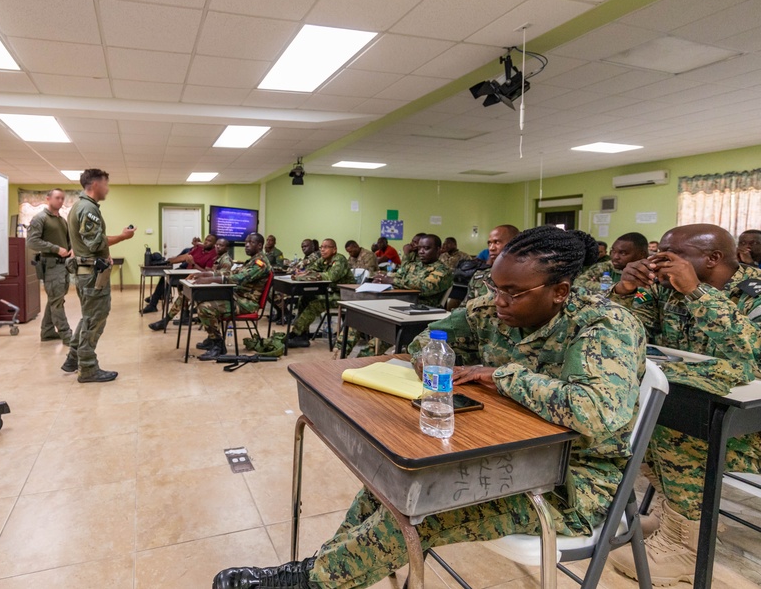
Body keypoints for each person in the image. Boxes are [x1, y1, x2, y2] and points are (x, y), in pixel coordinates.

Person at [213, 226, 645, 589]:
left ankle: (311, 581)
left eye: (513, 293)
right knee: (386, 483)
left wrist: (497, 375)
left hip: (572, 479)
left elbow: (597, 413)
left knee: (425, 510)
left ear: (560, 291)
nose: (499, 301)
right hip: (504, 446)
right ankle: (320, 574)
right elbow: (425, 342)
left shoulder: (604, 325)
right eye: (496, 288)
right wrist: (435, 359)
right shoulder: (493, 311)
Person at [608, 224, 761, 585]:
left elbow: (754, 356)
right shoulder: (665, 291)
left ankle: (685, 545)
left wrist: (695, 292)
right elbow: (620, 332)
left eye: (673, 253)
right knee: (637, 420)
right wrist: (623, 292)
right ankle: (674, 514)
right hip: (703, 409)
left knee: (677, 432)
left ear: (713, 258)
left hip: (749, 421)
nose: (659, 260)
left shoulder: (754, 293)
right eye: (659, 251)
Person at [60, 169, 134, 383]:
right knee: (95, 318)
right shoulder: (88, 208)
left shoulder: (81, 206)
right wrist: (122, 236)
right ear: (94, 185)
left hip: (87, 271)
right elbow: (95, 243)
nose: (108, 189)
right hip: (91, 275)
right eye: (106, 184)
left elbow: (90, 244)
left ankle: (74, 358)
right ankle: (88, 368)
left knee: (88, 316)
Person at [184, 233, 271, 359]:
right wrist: (208, 275)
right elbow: (232, 272)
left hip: (247, 303)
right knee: (203, 298)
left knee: (205, 307)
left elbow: (238, 278)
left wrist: (211, 280)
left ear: (259, 245)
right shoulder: (252, 260)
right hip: (237, 297)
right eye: (246, 242)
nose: (246, 245)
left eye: (250, 243)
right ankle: (211, 338)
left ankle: (218, 345)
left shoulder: (260, 262)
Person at [148, 238, 233, 331]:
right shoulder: (217, 257)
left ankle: (166, 320)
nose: (218, 247)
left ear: (227, 248)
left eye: (221, 245)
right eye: (217, 244)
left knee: (186, 293)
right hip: (212, 286)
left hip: (218, 291)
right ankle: (168, 319)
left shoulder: (225, 260)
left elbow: (222, 277)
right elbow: (212, 272)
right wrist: (199, 275)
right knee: (184, 291)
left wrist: (204, 277)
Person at [286, 239, 356, 348]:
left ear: (334, 249)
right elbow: (310, 269)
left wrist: (312, 275)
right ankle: (302, 336)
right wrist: (305, 273)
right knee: (304, 297)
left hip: (345, 295)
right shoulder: (323, 260)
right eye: (321, 247)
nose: (322, 250)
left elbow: (331, 276)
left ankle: (296, 333)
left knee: (316, 303)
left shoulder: (339, 260)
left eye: (326, 247)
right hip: (331, 292)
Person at [25, 188, 73, 345]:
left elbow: (67, 240)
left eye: (62, 198)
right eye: (57, 198)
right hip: (51, 264)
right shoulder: (40, 218)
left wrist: (71, 248)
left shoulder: (61, 220)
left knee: (55, 299)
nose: (60, 201)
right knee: (56, 301)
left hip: (63, 265)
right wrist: (55, 249)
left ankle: (47, 331)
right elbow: (32, 241)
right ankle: (67, 335)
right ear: (48, 199)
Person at [142, 235, 218, 313]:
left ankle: (184, 314)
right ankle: (153, 304)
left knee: (174, 283)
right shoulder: (199, 248)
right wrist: (167, 261)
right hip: (186, 272)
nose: (206, 242)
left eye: (209, 241)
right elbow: (184, 257)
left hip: (195, 277)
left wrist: (193, 264)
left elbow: (207, 273)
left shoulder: (214, 254)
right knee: (165, 277)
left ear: (214, 244)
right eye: (206, 239)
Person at [373, 234, 451, 306]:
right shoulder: (413, 265)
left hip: (423, 308)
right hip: (403, 302)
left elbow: (426, 288)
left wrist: (393, 281)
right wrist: (381, 280)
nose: (421, 251)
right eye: (419, 248)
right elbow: (398, 276)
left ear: (438, 250)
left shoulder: (443, 270)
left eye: (426, 248)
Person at [574, 232, 648, 295]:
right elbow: (578, 283)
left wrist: (599, 286)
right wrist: (615, 288)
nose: (615, 257)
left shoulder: (651, 272)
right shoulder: (607, 266)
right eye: (613, 251)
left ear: (642, 254)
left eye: (623, 253)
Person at [463, 225, 520, 305]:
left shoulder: (524, 278)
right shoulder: (479, 277)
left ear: (514, 244)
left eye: (497, 242)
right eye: (489, 243)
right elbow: (464, 309)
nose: (491, 248)